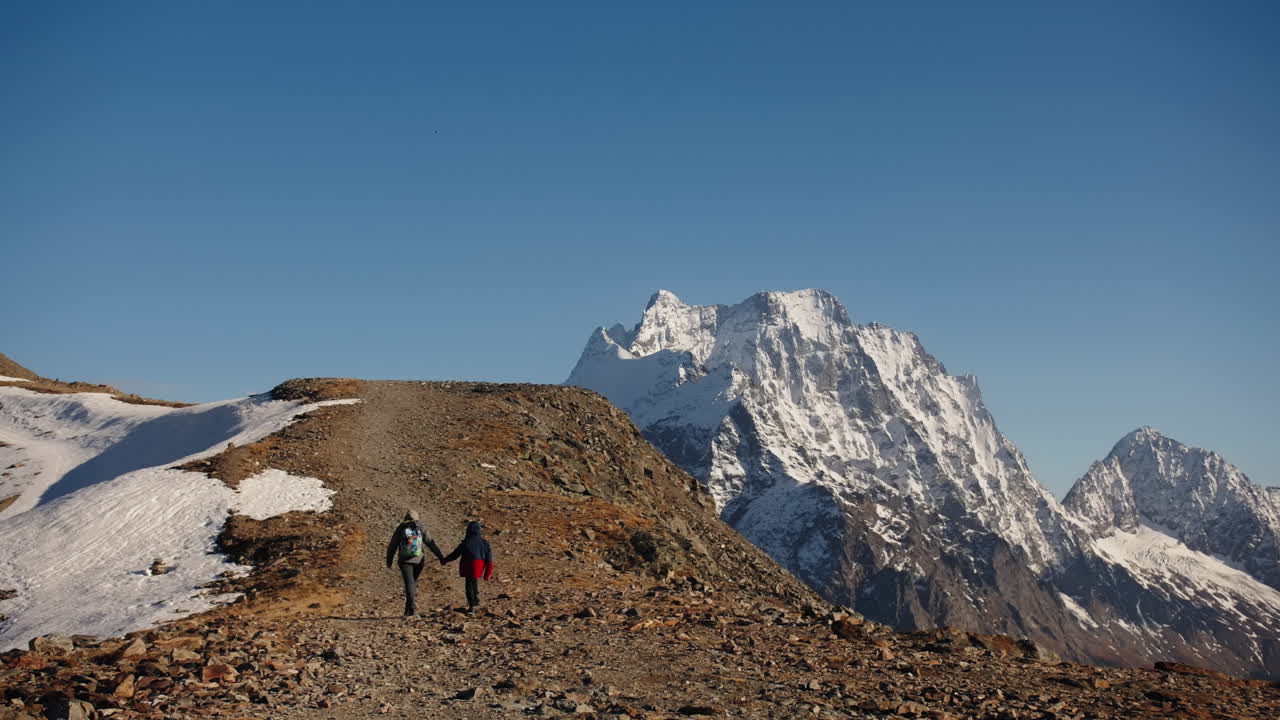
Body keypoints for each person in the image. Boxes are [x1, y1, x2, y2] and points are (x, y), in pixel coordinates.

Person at [385, 510, 445, 616]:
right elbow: (431, 543)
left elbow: (393, 545)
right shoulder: (421, 526)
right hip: (419, 560)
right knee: (412, 583)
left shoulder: (401, 528)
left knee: (409, 584)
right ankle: (409, 610)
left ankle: (410, 610)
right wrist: (440, 556)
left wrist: (389, 560)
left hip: (404, 560)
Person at [440, 520, 493, 611]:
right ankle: (476, 602)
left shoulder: (466, 542)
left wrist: (445, 560)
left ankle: (472, 604)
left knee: (469, 584)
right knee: (474, 581)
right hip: (479, 565)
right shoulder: (484, 542)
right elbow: (489, 558)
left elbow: (455, 554)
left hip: (468, 564)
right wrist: (487, 574)